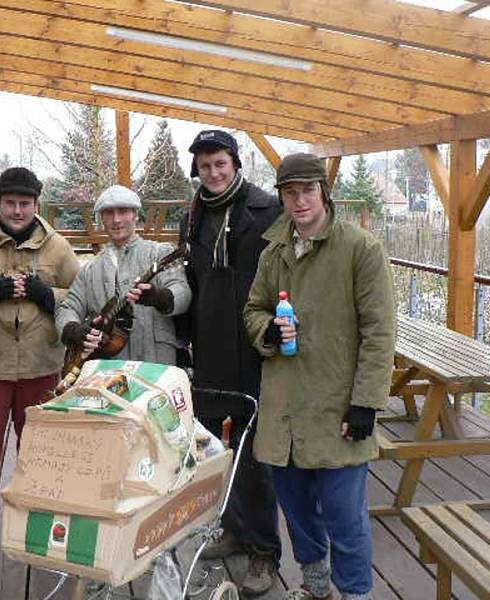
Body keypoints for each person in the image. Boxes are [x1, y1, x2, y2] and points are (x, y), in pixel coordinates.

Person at [243, 153, 395, 600]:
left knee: (346, 520)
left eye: (307, 190)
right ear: (282, 198)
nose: (299, 200)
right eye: (290, 193)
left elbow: (380, 331)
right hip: (284, 412)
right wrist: (267, 330)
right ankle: (315, 588)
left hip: (337, 410)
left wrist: (367, 401)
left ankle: (355, 594)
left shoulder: (360, 248)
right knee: (298, 514)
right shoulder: (274, 251)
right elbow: (254, 309)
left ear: (323, 193)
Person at [0, 166, 80, 558]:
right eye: (11, 203)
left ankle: (42, 520)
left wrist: (46, 295)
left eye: (25, 203)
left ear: (37, 204)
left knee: (40, 448)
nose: (18, 211)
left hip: (42, 366)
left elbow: (79, 296)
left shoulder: (57, 247)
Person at [179, 130, 282, 596]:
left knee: (256, 452)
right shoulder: (195, 214)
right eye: (205, 166)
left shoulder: (267, 209)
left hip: (255, 347)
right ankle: (235, 528)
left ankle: (264, 550)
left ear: (236, 163)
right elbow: (192, 279)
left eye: (220, 163)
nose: (214, 173)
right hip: (211, 345)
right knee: (219, 448)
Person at [56, 184, 191, 365]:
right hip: (105, 369)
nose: (116, 219)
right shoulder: (90, 269)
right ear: (101, 218)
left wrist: (159, 297)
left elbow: (183, 291)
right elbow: (69, 308)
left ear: (135, 215)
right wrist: (72, 330)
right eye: (109, 213)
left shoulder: (160, 254)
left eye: (123, 211)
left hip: (155, 365)